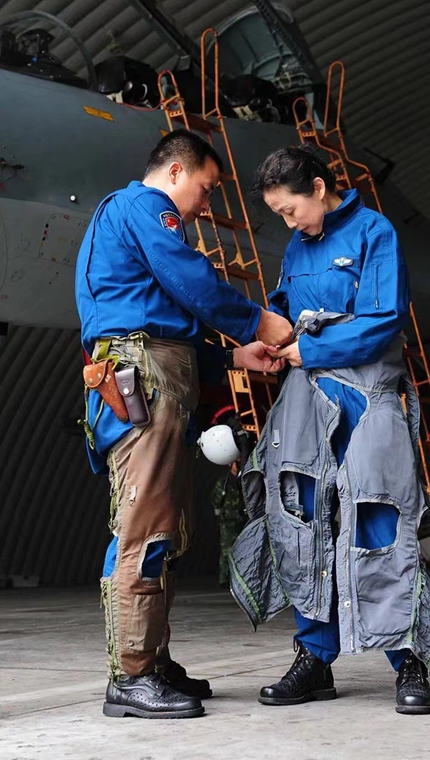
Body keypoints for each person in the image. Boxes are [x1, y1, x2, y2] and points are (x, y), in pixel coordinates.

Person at [75, 129, 291, 719]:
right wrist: (257, 322)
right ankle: (132, 676)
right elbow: (189, 283)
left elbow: (170, 326)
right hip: (143, 381)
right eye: (206, 187)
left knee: (163, 532)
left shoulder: (133, 221)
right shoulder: (144, 208)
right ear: (175, 172)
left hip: (160, 374)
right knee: (142, 531)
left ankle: (153, 660)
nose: (206, 203)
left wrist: (234, 357)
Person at [229, 145, 430, 715]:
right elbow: (284, 307)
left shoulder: (375, 233)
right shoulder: (298, 246)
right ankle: (315, 657)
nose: (288, 222)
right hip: (307, 401)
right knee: (303, 517)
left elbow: (383, 320)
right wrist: (271, 341)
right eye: (279, 214)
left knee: (379, 518)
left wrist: (313, 348)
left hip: (367, 398)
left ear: (320, 188)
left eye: (290, 209)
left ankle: (407, 658)